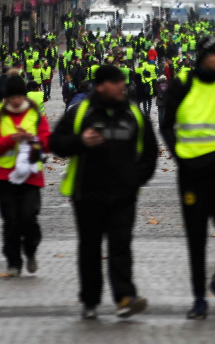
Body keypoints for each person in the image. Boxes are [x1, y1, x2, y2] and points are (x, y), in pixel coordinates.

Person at [51, 64, 156, 320]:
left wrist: (135, 180)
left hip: (123, 195)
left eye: (123, 81)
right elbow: (56, 143)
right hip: (87, 194)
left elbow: (150, 153)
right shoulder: (80, 112)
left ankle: (124, 297)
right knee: (90, 249)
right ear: (101, 86)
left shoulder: (134, 113)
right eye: (117, 82)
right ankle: (90, 300)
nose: (123, 86)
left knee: (121, 247)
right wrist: (80, 142)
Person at [160, 34, 215, 321]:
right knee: (196, 238)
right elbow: (166, 125)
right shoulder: (182, 85)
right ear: (203, 56)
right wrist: (179, 155)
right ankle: (199, 298)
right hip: (192, 172)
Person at [0, 74, 51, 276]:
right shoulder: (0, 116)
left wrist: (34, 140)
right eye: (12, 97)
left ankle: (30, 251)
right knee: (11, 221)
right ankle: (13, 262)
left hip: (31, 176)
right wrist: (11, 139)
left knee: (28, 218)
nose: (16, 101)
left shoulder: (35, 115)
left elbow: (48, 142)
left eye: (19, 97)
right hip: (5, 177)